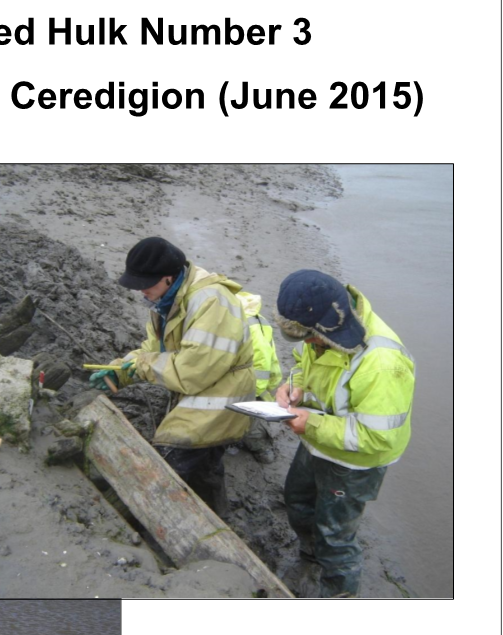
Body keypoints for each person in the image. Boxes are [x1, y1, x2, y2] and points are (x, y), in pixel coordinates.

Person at [90, 236, 281, 515]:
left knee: (171, 451)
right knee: (205, 463)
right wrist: (121, 370)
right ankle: (215, 513)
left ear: (168, 278)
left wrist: (141, 366)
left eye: (145, 284)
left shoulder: (210, 302)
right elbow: (153, 349)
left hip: (222, 395)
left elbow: (191, 372)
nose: (140, 291)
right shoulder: (168, 300)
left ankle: (137, 516)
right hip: (202, 386)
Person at [274, 270, 415, 597]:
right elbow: (304, 362)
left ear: (331, 326)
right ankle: (309, 558)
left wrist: (310, 423)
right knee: (297, 499)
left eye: (310, 338)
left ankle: (339, 596)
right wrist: (294, 388)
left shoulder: (382, 361)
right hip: (318, 442)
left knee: (335, 537)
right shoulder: (319, 332)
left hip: (355, 463)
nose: (307, 344)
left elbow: (379, 437)